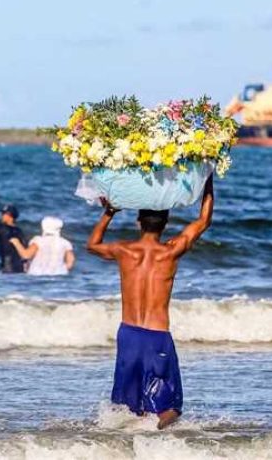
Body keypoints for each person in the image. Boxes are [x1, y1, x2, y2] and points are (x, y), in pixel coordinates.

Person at [86, 175, 214, 430]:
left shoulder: (124, 251)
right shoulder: (170, 252)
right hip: (157, 336)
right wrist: (207, 179)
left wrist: (109, 212)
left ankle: (130, 445)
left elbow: (92, 245)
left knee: (128, 407)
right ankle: (157, 438)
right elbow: (203, 221)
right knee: (170, 409)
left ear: (138, 222)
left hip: (128, 334)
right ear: (165, 223)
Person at [10, 216, 75, 276]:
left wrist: (16, 242)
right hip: (58, 274)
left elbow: (26, 255)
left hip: (37, 274)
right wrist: (60, 269)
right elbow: (70, 263)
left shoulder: (38, 241)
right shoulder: (65, 243)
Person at [0, 204, 27, 273]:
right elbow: (24, 247)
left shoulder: (2, 228)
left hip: (8, 268)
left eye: (3, 214)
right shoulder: (19, 231)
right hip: (19, 267)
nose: (1, 216)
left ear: (10, 216)